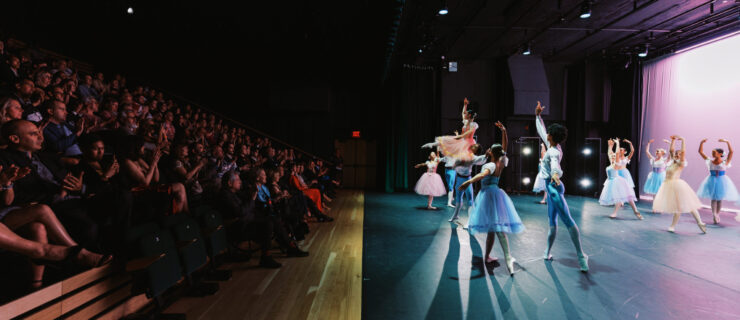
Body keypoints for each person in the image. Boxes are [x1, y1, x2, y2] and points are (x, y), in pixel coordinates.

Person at [460, 121, 523, 275]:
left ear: (493, 153)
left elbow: (482, 174)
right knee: (492, 230)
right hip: (496, 195)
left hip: (489, 196)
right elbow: (505, 149)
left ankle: (508, 258)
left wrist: (468, 181)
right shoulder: (501, 162)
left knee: (497, 229)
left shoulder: (491, 166)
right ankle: (487, 256)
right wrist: (504, 131)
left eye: (490, 149)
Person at [534, 101, 588, 272]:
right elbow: (541, 131)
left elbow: (555, 165)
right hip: (551, 189)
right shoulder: (553, 145)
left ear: (551, 136)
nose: (546, 134)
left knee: (567, 220)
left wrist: (556, 174)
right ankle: (547, 251)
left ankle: (581, 256)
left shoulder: (553, 151)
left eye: (548, 133)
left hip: (555, 188)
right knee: (552, 223)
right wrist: (538, 116)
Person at [653, 136, 706, 233]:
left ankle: (674, 226)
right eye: (676, 154)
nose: (676, 155)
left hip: (677, 186)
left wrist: (683, 141)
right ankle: (700, 222)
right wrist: (673, 140)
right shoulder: (672, 162)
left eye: (679, 154)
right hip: (668, 185)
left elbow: (683, 152)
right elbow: (671, 150)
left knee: (682, 207)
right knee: (682, 207)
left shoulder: (681, 163)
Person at [422, 97, 478, 162]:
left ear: (469, 115)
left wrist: (458, 136)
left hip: (468, 143)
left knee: (463, 157)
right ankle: (432, 145)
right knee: (448, 144)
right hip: (462, 140)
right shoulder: (466, 122)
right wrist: (465, 105)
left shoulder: (473, 124)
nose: (465, 114)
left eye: (467, 114)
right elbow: (463, 113)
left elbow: (466, 133)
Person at [696, 138, 738, 224]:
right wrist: (701, 143)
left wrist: (727, 142)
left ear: (720, 154)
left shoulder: (725, 162)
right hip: (711, 180)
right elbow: (700, 152)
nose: (712, 154)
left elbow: (731, 152)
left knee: (719, 199)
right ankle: (714, 214)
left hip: (722, 181)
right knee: (713, 199)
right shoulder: (709, 161)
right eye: (712, 152)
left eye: (714, 152)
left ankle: (717, 214)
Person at [600, 139, 642, 219]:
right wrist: (610, 146)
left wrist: (618, 143)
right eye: (611, 156)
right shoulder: (611, 163)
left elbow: (617, 153)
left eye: (614, 156)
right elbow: (610, 153)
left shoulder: (616, 163)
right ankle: (635, 211)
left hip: (617, 181)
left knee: (627, 197)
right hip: (611, 181)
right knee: (621, 197)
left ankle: (635, 211)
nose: (612, 156)